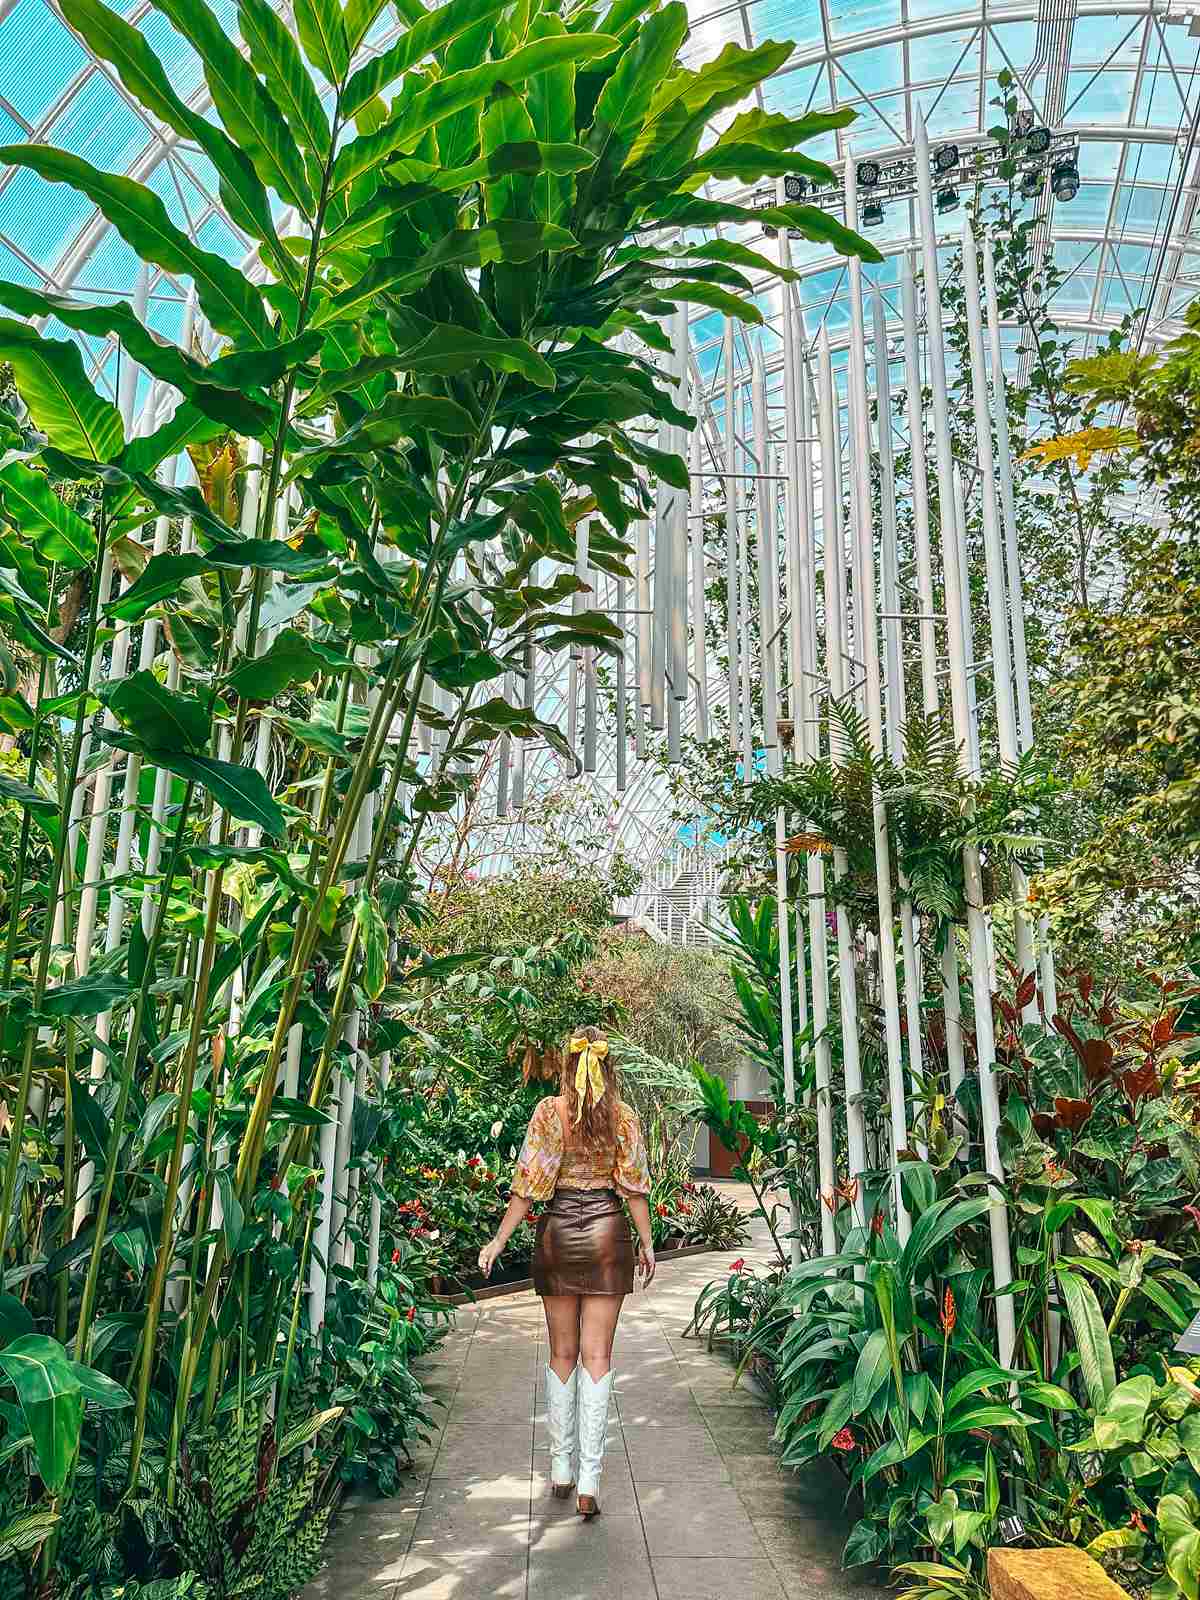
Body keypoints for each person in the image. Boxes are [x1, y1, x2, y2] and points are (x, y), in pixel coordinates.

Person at [478, 1026, 654, 1520]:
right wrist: (645, 1243)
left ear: (566, 1065)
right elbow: (634, 1190)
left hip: (557, 1231)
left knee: (562, 1351)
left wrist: (498, 1240)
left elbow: (527, 1186)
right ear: (606, 1066)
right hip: (606, 1236)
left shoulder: (548, 1114)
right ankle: (590, 1477)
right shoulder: (622, 1119)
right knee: (598, 1355)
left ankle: (560, 1467)